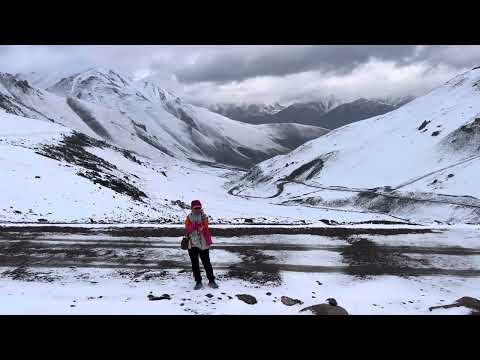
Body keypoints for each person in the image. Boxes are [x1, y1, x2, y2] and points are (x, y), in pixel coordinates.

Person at [184, 200, 219, 290]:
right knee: (195, 264)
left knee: (207, 263)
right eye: (196, 208)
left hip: (204, 244)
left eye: (199, 208)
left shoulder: (204, 217)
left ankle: (211, 281)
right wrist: (193, 227)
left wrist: (201, 226)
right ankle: (198, 281)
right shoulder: (188, 218)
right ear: (192, 208)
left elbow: (206, 228)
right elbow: (187, 230)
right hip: (192, 244)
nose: (197, 209)